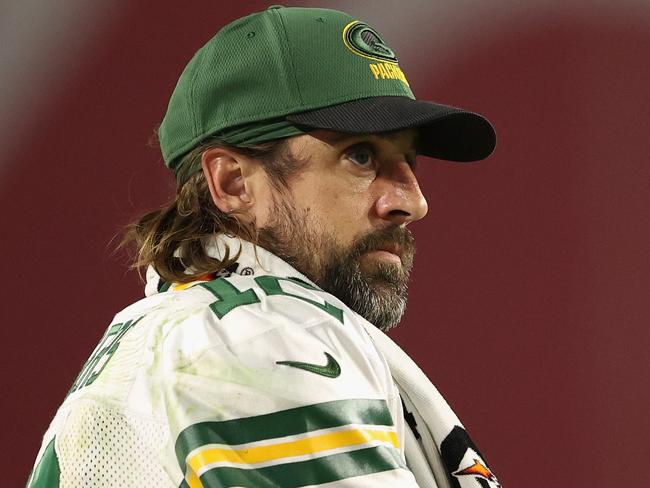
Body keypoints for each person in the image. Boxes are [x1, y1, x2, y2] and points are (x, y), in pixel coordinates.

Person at [27, 6, 500, 488]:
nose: (412, 202)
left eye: (409, 161)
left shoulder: (205, 330)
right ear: (233, 183)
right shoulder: (258, 341)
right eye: (360, 156)